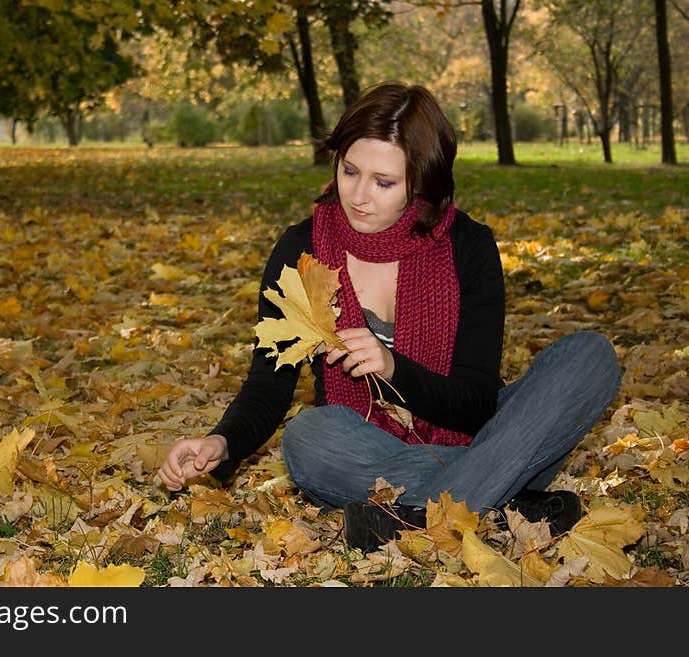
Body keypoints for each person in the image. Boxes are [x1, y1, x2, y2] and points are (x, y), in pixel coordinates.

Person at [157, 81, 622, 552]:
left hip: (484, 437)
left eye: (383, 182)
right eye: (350, 170)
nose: (358, 195)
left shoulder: (468, 248)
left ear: (420, 182)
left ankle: (421, 516)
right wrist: (221, 444)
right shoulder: (301, 252)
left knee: (589, 357)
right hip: (367, 453)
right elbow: (267, 386)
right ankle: (500, 503)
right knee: (308, 437)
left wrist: (394, 368)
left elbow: (478, 403)